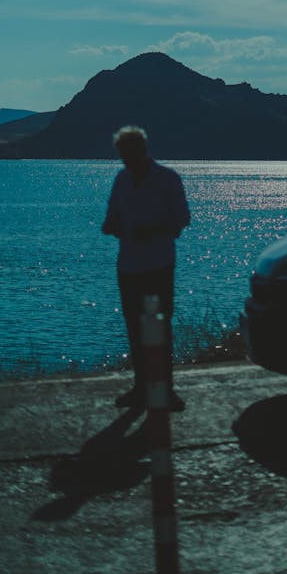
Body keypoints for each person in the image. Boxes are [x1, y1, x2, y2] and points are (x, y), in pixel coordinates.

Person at [102, 125, 190, 412]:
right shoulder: (121, 180)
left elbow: (181, 219)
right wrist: (114, 226)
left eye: (130, 153)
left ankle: (166, 389)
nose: (126, 159)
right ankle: (141, 388)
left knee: (160, 328)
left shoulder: (167, 179)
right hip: (128, 266)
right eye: (122, 154)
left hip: (158, 265)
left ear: (143, 150)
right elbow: (111, 218)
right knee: (134, 329)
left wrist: (149, 230)